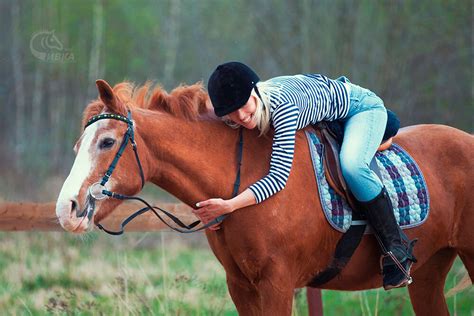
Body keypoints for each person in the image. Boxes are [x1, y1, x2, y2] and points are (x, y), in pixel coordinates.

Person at [193, 61, 417, 290]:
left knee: (352, 166)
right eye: (231, 111)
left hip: (360, 108)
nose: (240, 115)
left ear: (254, 90)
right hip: (325, 106)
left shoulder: (284, 109)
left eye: (243, 104)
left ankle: (397, 248)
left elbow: (278, 178)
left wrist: (230, 206)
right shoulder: (239, 112)